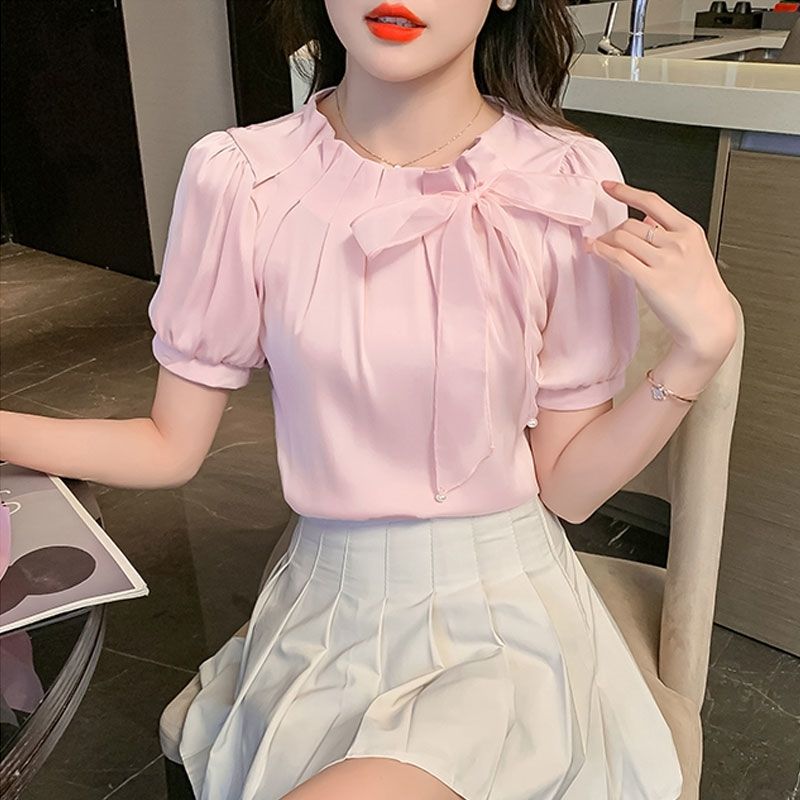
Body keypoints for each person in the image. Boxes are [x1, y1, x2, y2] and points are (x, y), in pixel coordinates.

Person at [0, 1, 738, 798]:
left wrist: (697, 354)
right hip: (323, 610)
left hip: (499, 619)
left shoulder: (565, 176)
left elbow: (567, 487)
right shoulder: (242, 176)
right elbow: (167, 445)